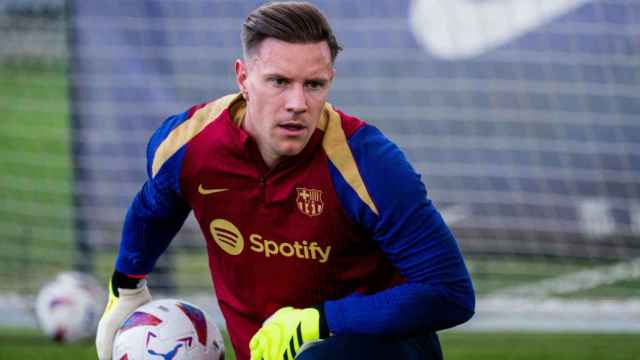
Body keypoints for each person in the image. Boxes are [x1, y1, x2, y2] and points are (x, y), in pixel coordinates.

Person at [95, 2, 475, 360]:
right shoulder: (186, 144)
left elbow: (450, 293)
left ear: (331, 81)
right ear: (243, 77)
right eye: (279, 81)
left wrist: (320, 320)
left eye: (314, 85)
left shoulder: (372, 165)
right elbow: (156, 208)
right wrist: (127, 286)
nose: (298, 103)